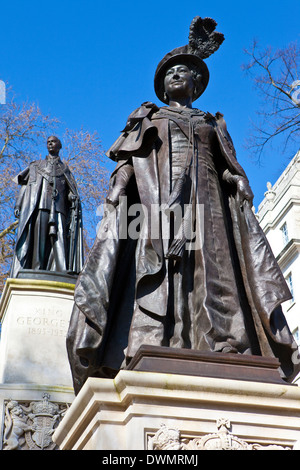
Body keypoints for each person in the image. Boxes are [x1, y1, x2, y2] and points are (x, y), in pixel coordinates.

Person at [67, 17, 299, 394]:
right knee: (164, 271)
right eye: (170, 72)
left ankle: (226, 343)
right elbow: (128, 162)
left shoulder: (211, 122)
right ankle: (157, 341)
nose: (176, 75)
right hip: (158, 203)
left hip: (210, 207)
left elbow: (226, 164)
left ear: (196, 84)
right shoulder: (150, 117)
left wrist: (237, 179)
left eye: (184, 72)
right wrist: (117, 192)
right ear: (162, 86)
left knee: (216, 272)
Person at [10, 136, 84, 277]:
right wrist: (18, 204)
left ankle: (62, 269)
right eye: (48, 142)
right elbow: (25, 187)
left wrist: (72, 197)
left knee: (60, 238)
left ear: (60, 146)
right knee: (40, 238)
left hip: (59, 209)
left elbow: (70, 191)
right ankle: (36, 268)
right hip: (41, 206)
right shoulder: (36, 165)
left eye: (54, 141)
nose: (50, 143)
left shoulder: (65, 170)